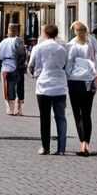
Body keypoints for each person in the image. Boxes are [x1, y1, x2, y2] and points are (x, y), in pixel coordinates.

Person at [28, 24, 69, 156]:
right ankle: (61, 148)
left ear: (45, 33)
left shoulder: (38, 47)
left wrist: (34, 74)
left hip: (44, 87)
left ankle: (45, 147)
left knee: (45, 118)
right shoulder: (62, 48)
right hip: (60, 86)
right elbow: (66, 65)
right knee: (61, 117)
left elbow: (31, 65)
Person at [65, 21, 97, 156]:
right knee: (87, 113)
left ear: (75, 31)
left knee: (77, 113)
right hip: (89, 80)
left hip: (75, 81)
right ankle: (87, 143)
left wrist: (67, 77)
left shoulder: (72, 45)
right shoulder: (92, 41)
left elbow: (69, 64)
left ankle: (82, 144)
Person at [0, 24, 25, 116]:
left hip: (5, 66)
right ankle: (19, 108)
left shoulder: (3, 42)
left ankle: (9, 108)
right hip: (16, 65)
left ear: (8, 30)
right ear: (17, 31)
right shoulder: (18, 40)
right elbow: (22, 53)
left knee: (7, 87)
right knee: (19, 87)